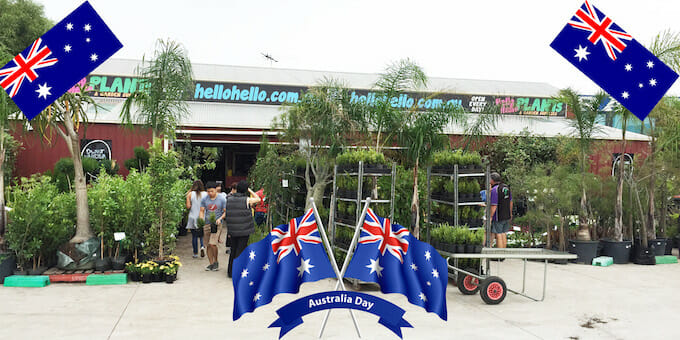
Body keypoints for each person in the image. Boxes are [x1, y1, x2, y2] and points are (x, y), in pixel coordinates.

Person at [225, 180, 261, 278]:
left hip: (232, 229)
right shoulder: (247, 199)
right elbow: (258, 199)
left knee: (233, 250)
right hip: (244, 230)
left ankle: (230, 271)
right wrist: (250, 190)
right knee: (240, 250)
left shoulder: (229, 199)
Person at [199, 181, 227, 271]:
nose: (210, 193)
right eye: (208, 191)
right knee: (207, 245)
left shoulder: (222, 199)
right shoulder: (204, 199)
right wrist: (201, 219)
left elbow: (225, 211)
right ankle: (211, 263)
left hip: (217, 224)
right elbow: (202, 210)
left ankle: (216, 261)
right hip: (207, 223)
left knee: (213, 243)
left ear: (216, 190)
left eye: (212, 191)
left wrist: (220, 218)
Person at [489, 172, 513, 248]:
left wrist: (490, 216)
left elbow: (494, 205)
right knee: (504, 233)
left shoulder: (495, 190)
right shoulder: (506, 187)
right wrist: (510, 213)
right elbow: (510, 201)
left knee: (498, 234)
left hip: (498, 215)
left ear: (492, 180)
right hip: (507, 214)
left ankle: (499, 254)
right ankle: (503, 253)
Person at [186, 180, 207, 258]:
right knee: (202, 234)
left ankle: (195, 253)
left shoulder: (190, 194)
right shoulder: (205, 194)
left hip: (193, 216)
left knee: (194, 236)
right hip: (203, 216)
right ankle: (202, 246)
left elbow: (188, 206)